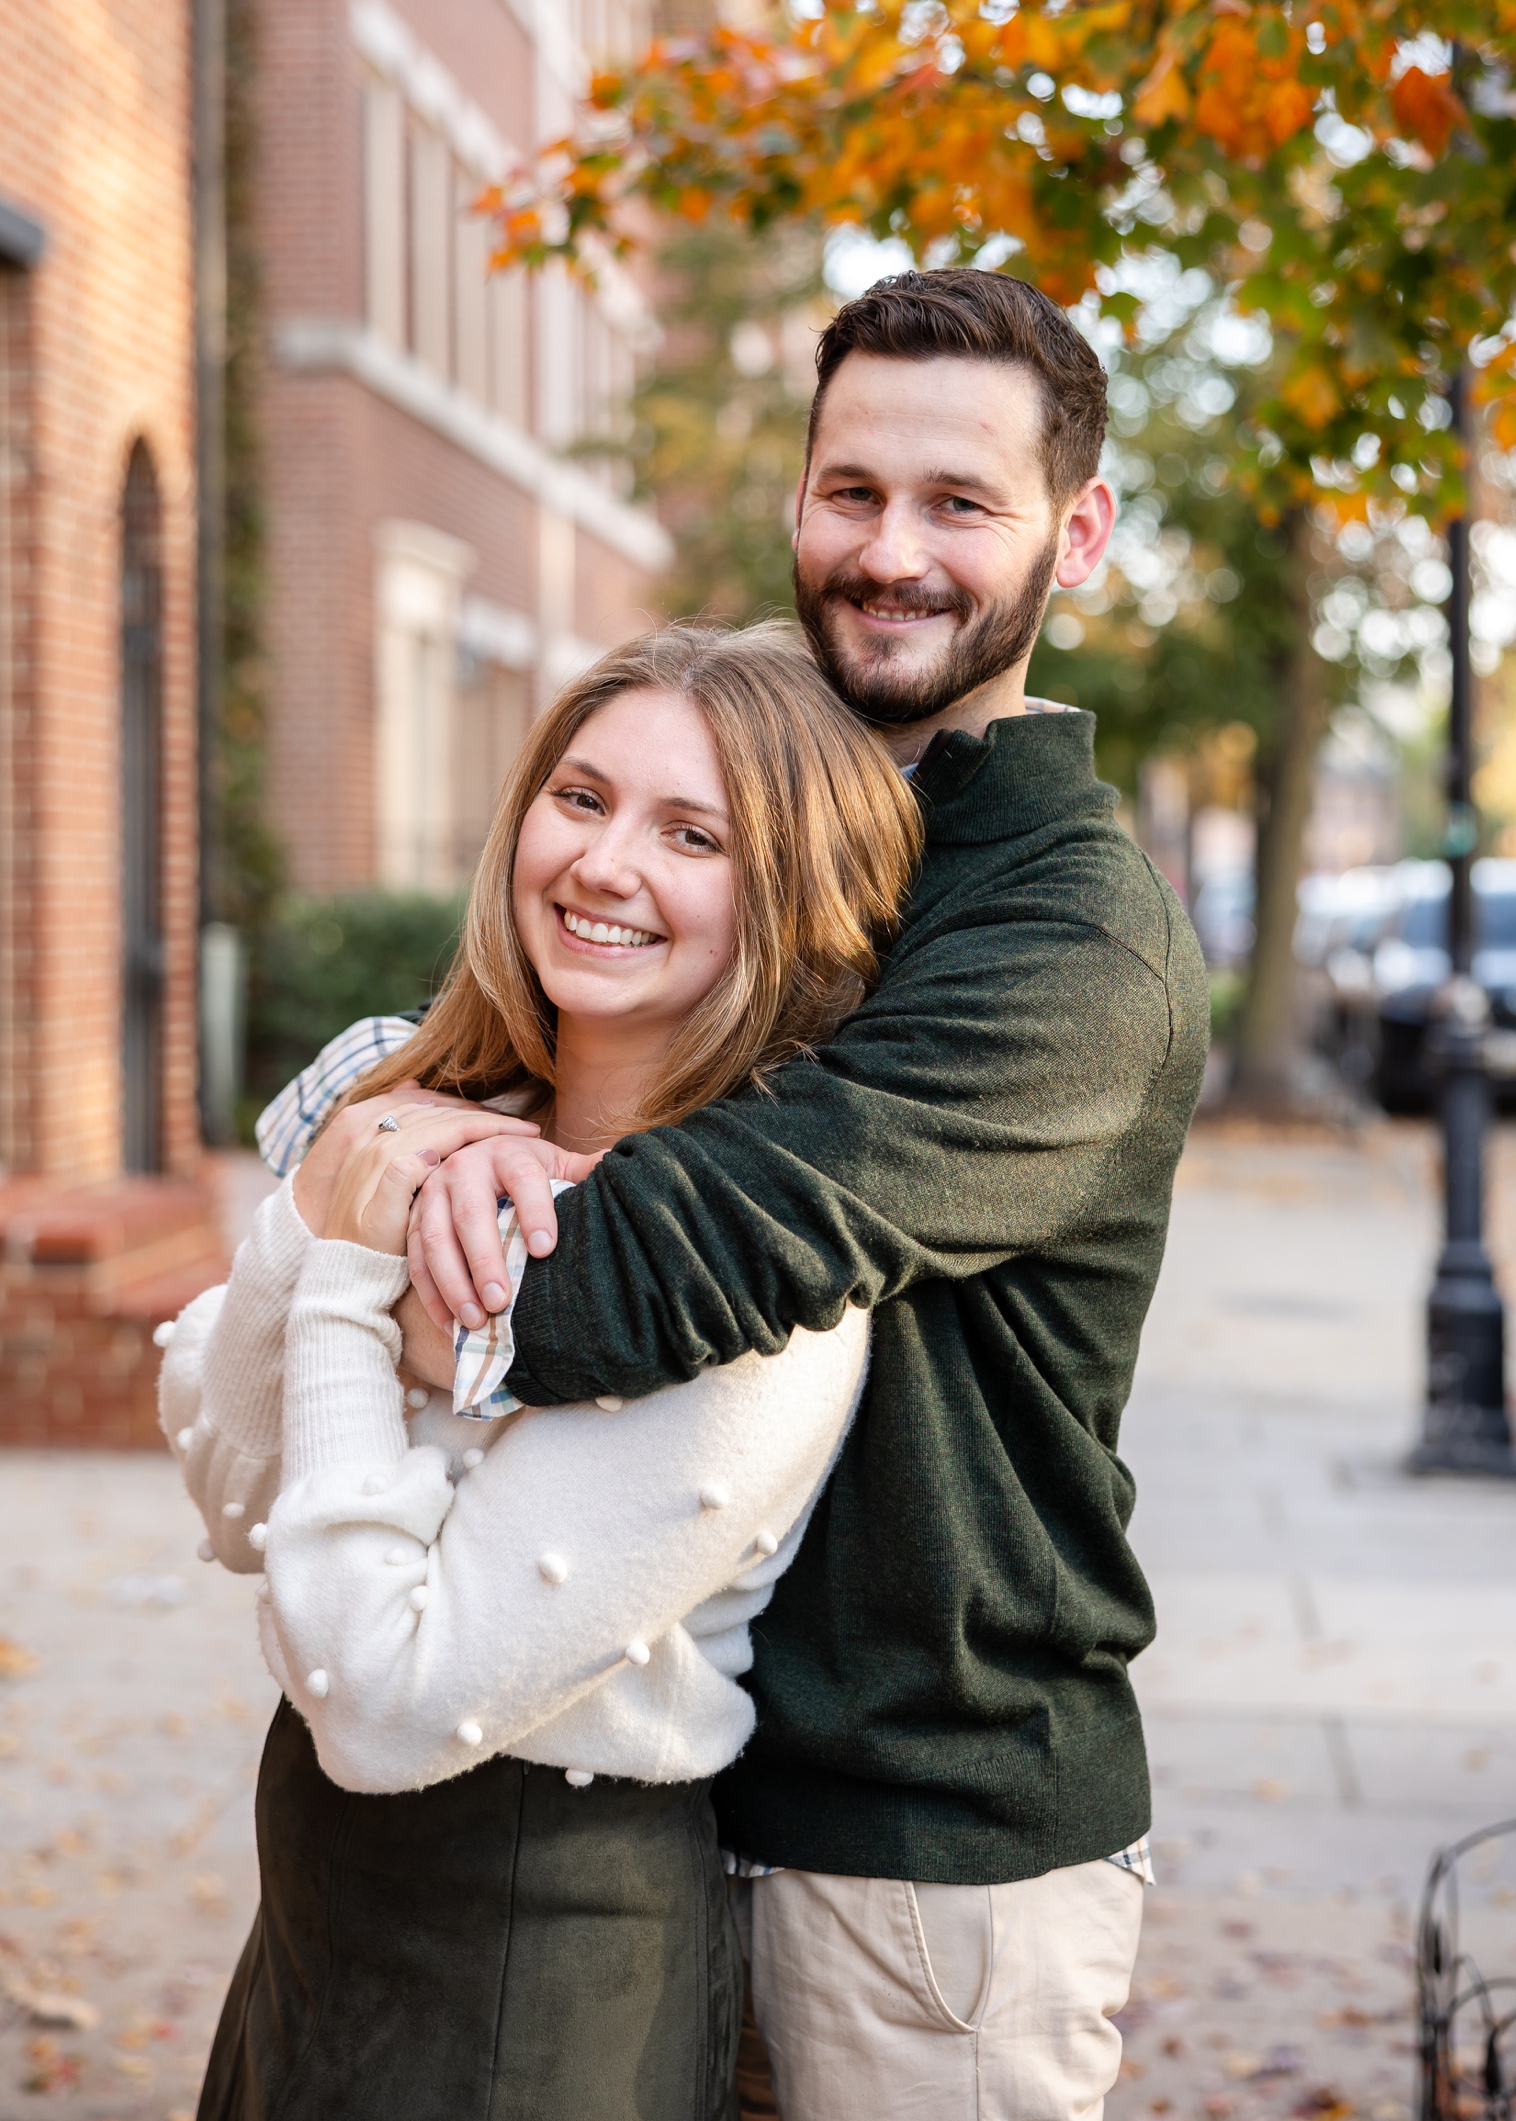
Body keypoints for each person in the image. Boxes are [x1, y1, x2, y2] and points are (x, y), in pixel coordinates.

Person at [391, 269, 1213, 2121]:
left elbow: (663, 1261)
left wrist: (372, 1229)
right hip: (692, 1811)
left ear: (1074, 533)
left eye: (960, 504)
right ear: (797, 500)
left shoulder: (1072, 936)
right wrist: (376, 1135)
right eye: (853, 492)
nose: (890, 552)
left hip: (930, 1857)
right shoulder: (811, 835)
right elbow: (466, 1043)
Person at [159, 622, 922, 2121]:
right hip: (315, 1925)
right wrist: (332, 1204)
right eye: (580, 798)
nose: (602, 863)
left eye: (690, 833)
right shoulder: (419, 1108)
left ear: (785, 897)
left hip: (544, 1956)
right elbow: (233, 1488)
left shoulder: (761, 1276)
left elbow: (382, 1699)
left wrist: (351, 1286)